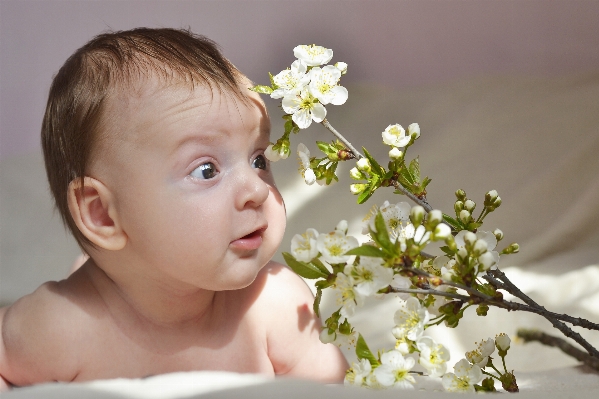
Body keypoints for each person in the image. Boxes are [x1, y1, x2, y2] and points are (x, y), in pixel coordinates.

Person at [0, 28, 348, 390]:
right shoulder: (60, 326)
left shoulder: (276, 306)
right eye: (207, 170)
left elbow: (336, 390)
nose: (257, 189)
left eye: (258, 159)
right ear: (103, 214)